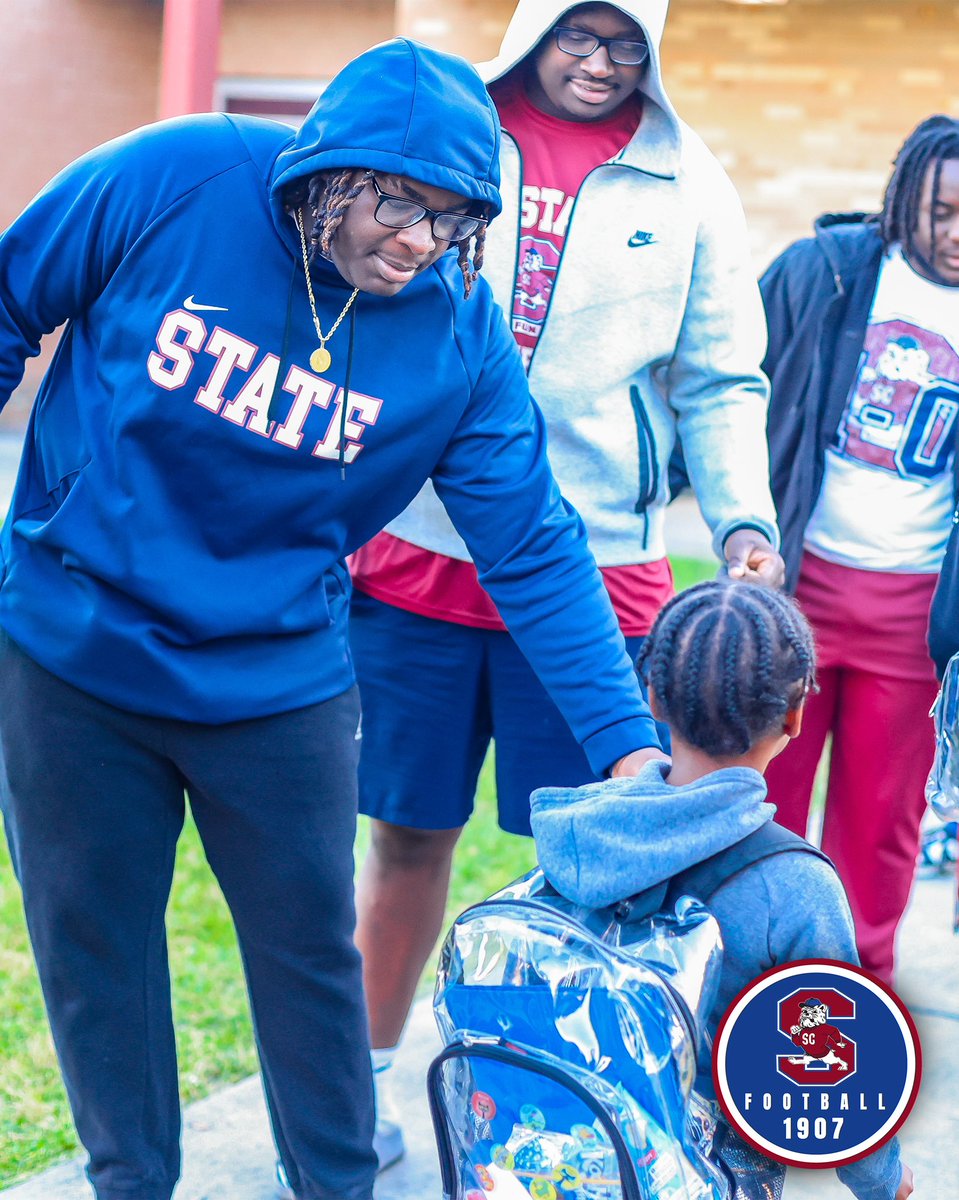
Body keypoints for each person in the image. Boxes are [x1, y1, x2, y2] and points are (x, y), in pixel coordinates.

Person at [0, 38, 668, 1200]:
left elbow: (530, 542)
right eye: (398, 204)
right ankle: (129, 1184)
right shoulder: (174, 179)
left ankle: (335, 1185)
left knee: (310, 963)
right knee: (95, 953)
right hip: (75, 656)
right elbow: (12, 297)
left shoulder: (457, 333)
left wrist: (625, 742)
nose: (420, 242)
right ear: (326, 173)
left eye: (454, 220)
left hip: (277, 685)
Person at [349, 0, 783, 1158]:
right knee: (403, 835)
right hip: (421, 552)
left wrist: (741, 517)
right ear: (534, 28)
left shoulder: (688, 182)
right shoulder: (453, 129)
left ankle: (595, 1099)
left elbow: (720, 376)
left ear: (654, 49)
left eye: (623, 42)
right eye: (576, 35)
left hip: (597, 568)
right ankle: (361, 1080)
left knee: (604, 852)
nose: (597, 63)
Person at [530, 580, 915, 1200]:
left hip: (562, 1154)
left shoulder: (579, 834)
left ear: (651, 695)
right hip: (704, 1175)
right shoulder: (795, 885)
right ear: (794, 717)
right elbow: (839, 1072)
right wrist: (883, 1181)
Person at [759, 115, 959, 986]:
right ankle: (747, 984)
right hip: (792, 591)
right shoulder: (825, 273)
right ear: (901, 197)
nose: (958, 234)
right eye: (943, 211)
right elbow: (723, 386)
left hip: (917, 612)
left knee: (879, 825)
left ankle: (853, 994)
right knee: (761, 804)